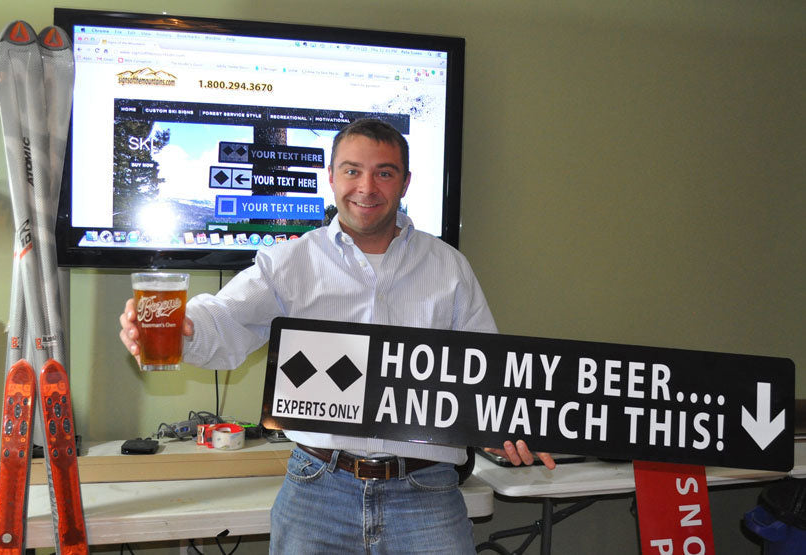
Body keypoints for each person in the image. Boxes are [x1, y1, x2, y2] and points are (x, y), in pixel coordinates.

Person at [119, 119, 555, 553]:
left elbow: (489, 377)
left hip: (427, 493)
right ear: (330, 177)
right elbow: (225, 318)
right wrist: (184, 329)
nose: (366, 187)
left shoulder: (450, 267)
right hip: (317, 490)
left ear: (405, 182)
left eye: (384, 172)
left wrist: (509, 428)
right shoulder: (289, 261)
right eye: (351, 170)